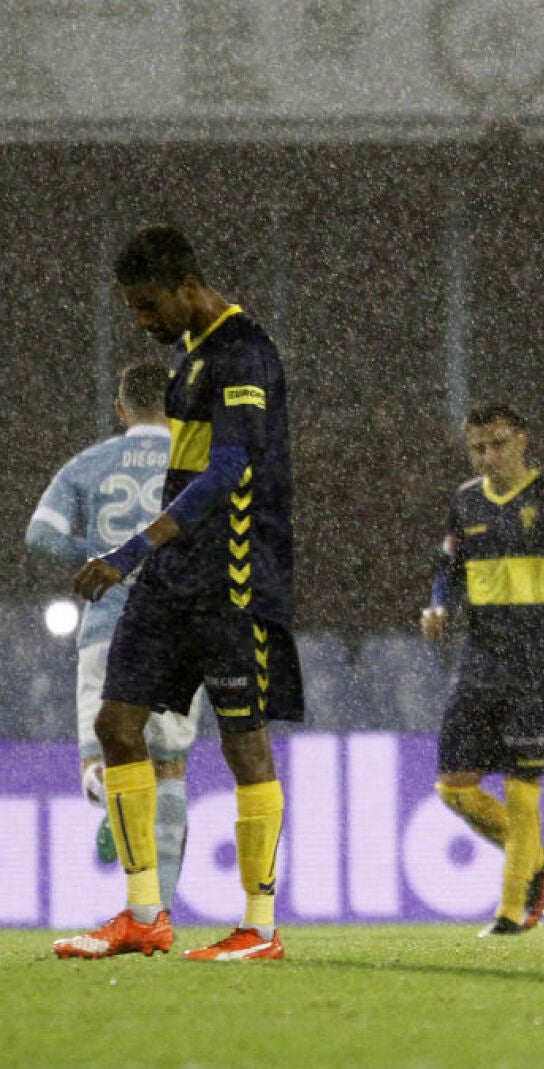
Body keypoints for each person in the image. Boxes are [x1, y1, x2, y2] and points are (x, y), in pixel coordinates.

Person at [55, 225, 303, 961]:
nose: (143, 321)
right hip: (172, 576)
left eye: (148, 304)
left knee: (243, 742)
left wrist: (132, 549)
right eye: (133, 309)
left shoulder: (242, 352)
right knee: (116, 724)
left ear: (187, 286)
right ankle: (143, 914)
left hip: (231, 575)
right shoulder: (190, 356)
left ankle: (259, 926)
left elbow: (228, 472)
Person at [27, 361, 206, 906]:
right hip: (179, 630)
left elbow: (41, 534)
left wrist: (108, 555)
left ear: (120, 410)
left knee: (100, 759)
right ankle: (161, 911)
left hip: (109, 628)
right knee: (170, 767)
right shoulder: (197, 463)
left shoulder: (91, 463)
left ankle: (110, 798)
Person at [421, 402, 544, 937]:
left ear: (522, 439)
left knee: (523, 790)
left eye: (498, 444)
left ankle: (511, 912)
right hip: (479, 660)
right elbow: (445, 572)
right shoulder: (465, 502)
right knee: (453, 789)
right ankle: (537, 860)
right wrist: (436, 607)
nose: (488, 457)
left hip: (539, 662)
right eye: (478, 448)